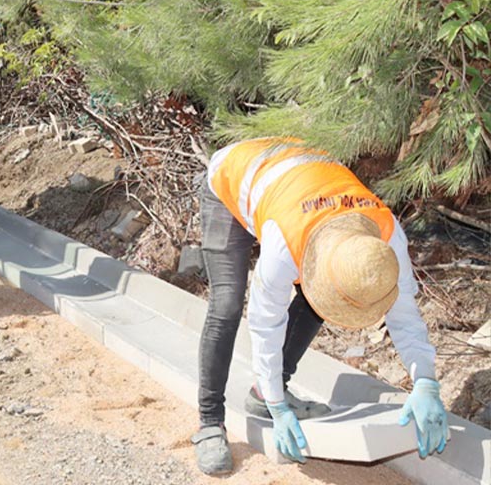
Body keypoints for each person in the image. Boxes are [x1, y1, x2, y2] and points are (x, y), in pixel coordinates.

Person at [192, 137, 448, 475]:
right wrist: (280, 409)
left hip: (295, 180)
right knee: (226, 305)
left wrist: (426, 382)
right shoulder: (285, 244)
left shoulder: (384, 237)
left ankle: (263, 394)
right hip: (233, 177)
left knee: (317, 304)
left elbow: (404, 314)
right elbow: (265, 322)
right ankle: (210, 422)